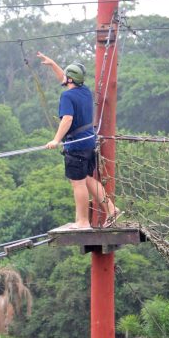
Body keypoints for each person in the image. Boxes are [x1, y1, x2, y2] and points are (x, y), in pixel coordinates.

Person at [37, 52, 120, 229]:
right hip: (89, 142)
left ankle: (83, 222)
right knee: (89, 179)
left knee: (78, 183)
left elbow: (67, 119)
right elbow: (65, 78)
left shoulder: (67, 97)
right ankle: (112, 209)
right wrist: (53, 64)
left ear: (70, 80)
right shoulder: (84, 92)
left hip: (76, 146)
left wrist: (56, 140)